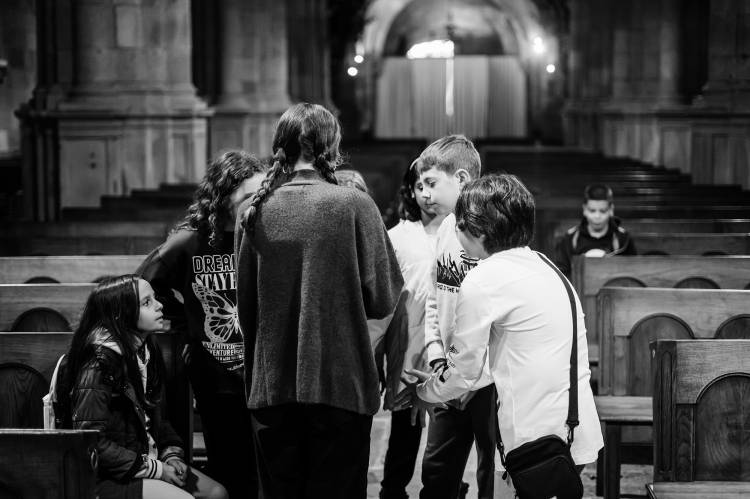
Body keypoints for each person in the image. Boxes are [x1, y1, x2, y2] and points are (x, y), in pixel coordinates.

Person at [234, 102, 403, 499]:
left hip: (272, 385)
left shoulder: (252, 211)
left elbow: (245, 306)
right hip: (339, 383)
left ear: (281, 145)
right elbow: (384, 297)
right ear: (332, 145)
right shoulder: (354, 205)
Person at [395, 174, 604, 495]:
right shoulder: (545, 263)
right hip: (574, 427)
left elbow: (467, 373)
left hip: (534, 437)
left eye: (458, 225)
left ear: (475, 230)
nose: (454, 230)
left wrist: (424, 393)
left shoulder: (485, 279)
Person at [137, 150, 266, 499]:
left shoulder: (259, 234)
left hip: (263, 374)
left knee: (265, 469)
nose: (257, 203)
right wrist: (182, 321)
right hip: (216, 376)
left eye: (261, 194)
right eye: (249, 196)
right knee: (229, 467)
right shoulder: (189, 241)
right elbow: (144, 285)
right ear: (224, 197)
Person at [59, 275, 228, 499]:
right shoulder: (98, 365)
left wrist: (171, 455)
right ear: (121, 314)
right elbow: (92, 441)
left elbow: (158, 418)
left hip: (145, 459)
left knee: (217, 493)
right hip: (106, 475)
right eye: (147, 302)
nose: (159, 305)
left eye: (155, 298)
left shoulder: (145, 350)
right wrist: (157, 470)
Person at [416, 135, 496, 499]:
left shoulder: (495, 232)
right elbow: (435, 298)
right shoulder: (447, 228)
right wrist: (435, 354)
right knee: (436, 472)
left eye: (432, 183)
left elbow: (496, 317)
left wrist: (472, 376)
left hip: (489, 381)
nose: (425, 193)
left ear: (462, 179)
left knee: (491, 473)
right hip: (448, 371)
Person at [378, 159, 447, 499]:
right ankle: (394, 488)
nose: (426, 195)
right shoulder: (398, 236)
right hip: (408, 340)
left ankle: (444, 485)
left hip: (450, 343)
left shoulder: (461, 233)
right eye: (419, 187)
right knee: (406, 429)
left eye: (432, 186)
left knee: (447, 429)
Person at [553, 183, 637, 277]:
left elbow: (632, 273)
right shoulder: (570, 238)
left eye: (603, 211)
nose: (597, 216)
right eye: (592, 211)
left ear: (610, 210)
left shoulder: (623, 239)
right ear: (584, 209)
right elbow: (562, 275)